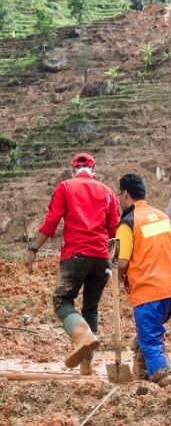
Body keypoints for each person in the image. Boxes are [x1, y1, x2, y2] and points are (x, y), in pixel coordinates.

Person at [25, 153, 120, 375]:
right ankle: (86, 367)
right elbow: (115, 232)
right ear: (94, 170)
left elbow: (51, 223)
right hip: (101, 259)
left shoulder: (66, 187)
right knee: (91, 309)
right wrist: (118, 263)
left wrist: (33, 250)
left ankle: (82, 336)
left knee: (62, 300)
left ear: (72, 170)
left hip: (76, 256)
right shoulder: (107, 192)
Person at [115, 174, 171, 387]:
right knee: (150, 330)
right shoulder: (162, 217)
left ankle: (162, 377)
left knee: (150, 337)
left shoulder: (127, 224)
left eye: (119, 194)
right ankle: (143, 369)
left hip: (148, 290)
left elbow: (123, 262)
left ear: (125, 194)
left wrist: (114, 273)